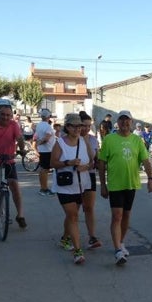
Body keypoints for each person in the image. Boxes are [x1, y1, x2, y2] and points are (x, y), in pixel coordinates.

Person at [98, 110, 152, 266]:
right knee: (117, 216)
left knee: (126, 216)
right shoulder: (109, 139)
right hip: (115, 184)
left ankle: (121, 242)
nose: (124, 123)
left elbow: (145, 160)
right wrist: (102, 184)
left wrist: (150, 179)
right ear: (118, 122)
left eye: (127, 120)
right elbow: (101, 163)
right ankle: (117, 250)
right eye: (122, 120)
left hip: (131, 184)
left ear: (131, 122)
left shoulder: (137, 140)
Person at [51, 113, 93, 264]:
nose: (77, 129)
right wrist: (68, 163)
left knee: (71, 216)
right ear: (67, 127)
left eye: (79, 126)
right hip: (64, 187)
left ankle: (64, 239)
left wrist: (86, 166)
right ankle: (78, 251)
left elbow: (91, 162)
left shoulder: (83, 141)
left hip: (81, 185)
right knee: (74, 216)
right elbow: (53, 163)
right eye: (74, 126)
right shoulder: (60, 143)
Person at [79, 111, 102, 250]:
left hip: (90, 175)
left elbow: (93, 158)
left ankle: (92, 237)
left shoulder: (92, 139)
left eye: (89, 126)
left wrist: (87, 141)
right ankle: (67, 236)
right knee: (73, 210)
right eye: (84, 125)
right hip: (74, 177)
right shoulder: (68, 138)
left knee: (89, 208)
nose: (87, 129)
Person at [34, 108, 55, 196]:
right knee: (45, 170)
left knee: (43, 169)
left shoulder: (39, 125)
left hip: (43, 150)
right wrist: (40, 143)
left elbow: (37, 136)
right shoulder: (47, 126)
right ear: (48, 117)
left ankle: (43, 188)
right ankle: (44, 188)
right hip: (47, 150)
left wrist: (38, 144)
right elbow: (47, 138)